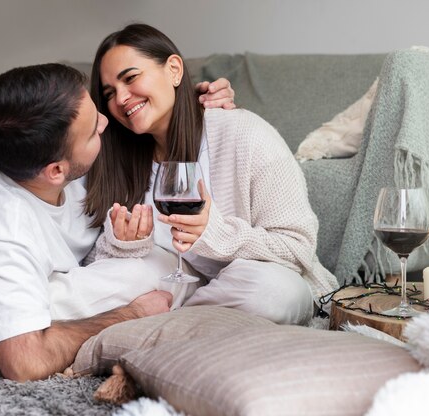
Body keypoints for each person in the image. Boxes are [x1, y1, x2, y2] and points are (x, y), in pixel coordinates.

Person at [0, 63, 235, 401]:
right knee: (150, 276)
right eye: (93, 130)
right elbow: (23, 362)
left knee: (156, 261)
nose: (104, 121)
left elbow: (137, 111)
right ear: (55, 170)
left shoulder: (39, 135)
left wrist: (194, 103)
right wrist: (132, 314)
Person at [85, 23, 340, 325]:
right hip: (178, 285)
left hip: (258, 281)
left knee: (272, 292)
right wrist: (125, 246)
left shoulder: (244, 133)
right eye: (110, 93)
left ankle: (158, 326)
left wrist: (213, 233)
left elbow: (297, 247)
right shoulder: (117, 159)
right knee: (123, 275)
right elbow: (95, 266)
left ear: (174, 70)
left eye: (130, 78)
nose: (121, 98)